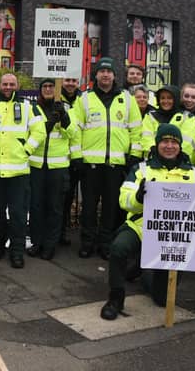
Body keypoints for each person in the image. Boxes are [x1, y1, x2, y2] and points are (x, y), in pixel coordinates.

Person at [100, 124, 195, 320]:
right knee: (119, 248)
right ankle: (115, 298)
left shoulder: (194, 173)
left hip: (173, 234)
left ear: (179, 146)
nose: (169, 146)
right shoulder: (141, 169)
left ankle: (144, 272)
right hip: (142, 226)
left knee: (162, 299)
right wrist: (138, 197)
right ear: (157, 144)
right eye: (164, 141)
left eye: (173, 142)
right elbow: (123, 200)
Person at [71, 57, 142, 260]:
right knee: (89, 208)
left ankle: (105, 244)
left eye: (108, 72)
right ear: (96, 75)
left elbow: (136, 129)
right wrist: (77, 157)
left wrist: (135, 154)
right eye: (101, 71)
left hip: (116, 163)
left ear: (114, 75)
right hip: (91, 164)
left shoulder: (127, 99)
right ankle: (87, 242)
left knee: (111, 207)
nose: (105, 75)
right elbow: (76, 130)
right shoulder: (84, 99)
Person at [0, 73, 45, 268]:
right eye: (5, 84)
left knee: (18, 215)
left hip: (18, 172)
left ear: (17, 85)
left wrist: (27, 149)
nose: (8, 87)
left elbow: (40, 130)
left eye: (11, 84)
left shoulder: (28, 106)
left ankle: (17, 252)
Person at [27, 79, 78, 260]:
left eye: (51, 86)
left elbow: (73, 134)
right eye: (45, 87)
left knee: (54, 208)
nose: (48, 89)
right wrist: (49, 123)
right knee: (36, 206)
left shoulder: (67, 108)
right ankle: (37, 242)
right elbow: (30, 133)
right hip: (37, 165)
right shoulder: (32, 108)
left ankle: (50, 245)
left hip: (58, 166)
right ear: (40, 90)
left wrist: (64, 118)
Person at [141, 85, 195, 163]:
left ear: (176, 99)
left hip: (179, 163)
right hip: (153, 162)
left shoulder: (187, 117)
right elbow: (146, 138)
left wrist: (173, 156)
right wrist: (156, 153)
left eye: (169, 98)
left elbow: (187, 142)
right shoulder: (150, 116)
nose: (165, 101)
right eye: (162, 98)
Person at [60, 77, 82, 245]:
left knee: (68, 199)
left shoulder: (83, 100)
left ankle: (62, 231)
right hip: (58, 157)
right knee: (56, 199)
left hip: (77, 158)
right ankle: (55, 232)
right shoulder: (54, 98)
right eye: (67, 80)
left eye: (74, 81)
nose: (70, 84)